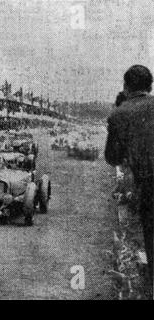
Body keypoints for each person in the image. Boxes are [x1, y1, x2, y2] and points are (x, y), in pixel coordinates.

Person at [105, 65, 154, 297]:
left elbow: (112, 157)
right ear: (151, 86)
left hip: (149, 186)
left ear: (125, 88)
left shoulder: (119, 114)